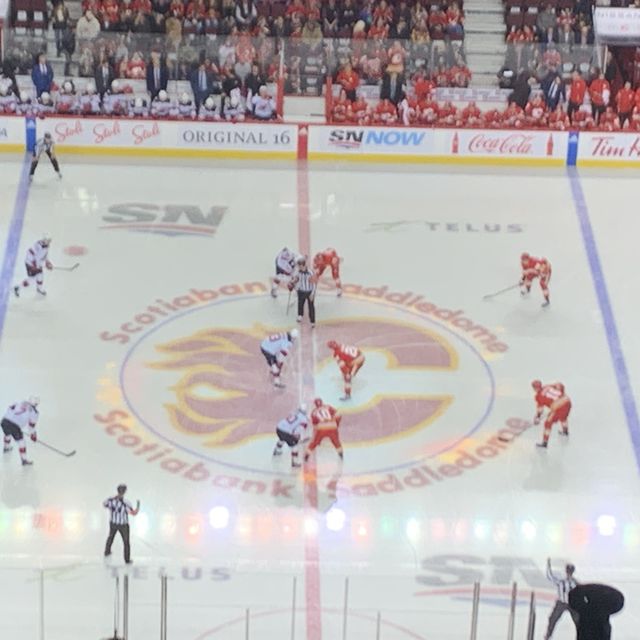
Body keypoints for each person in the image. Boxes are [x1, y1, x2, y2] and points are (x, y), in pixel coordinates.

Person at [103, 484, 140, 564]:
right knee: (126, 542)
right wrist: (138, 507)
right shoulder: (126, 503)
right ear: (125, 492)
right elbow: (133, 513)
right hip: (123, 525)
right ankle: (127, 560)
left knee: (110, 537)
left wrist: (113, 498)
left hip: (113, 523)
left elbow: (104, 504)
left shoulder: (111, 500)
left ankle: (107, 552)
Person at [545, 557, 579, 639]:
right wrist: (548, 566)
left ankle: (581, 636)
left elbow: (550, 577)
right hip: (562, 603)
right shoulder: (562, 582)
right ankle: (548, 635)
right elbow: (550, 577)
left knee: (578, 621)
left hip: (572, 603)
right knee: (553, 619)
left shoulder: (575, 583)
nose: (569, 573)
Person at [532, 380, 572, 448]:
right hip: (567, 402)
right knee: (563, 417)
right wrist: (562, 394)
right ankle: (565, 431)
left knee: (548, 423)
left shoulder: (538, 396)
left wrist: (538, 417)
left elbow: (540, 410)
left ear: (534, 388)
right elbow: (559, 384)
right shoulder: (547, 386)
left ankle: (545, 443)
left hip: (560, 408)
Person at [2, 397, 39, 466]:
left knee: (7, 433)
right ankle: (24, 460)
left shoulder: (20, 402)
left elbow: (10, 409)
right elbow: (31, 426)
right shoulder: (34, 412)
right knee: (21, 442)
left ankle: (6, 448)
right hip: (14, 426)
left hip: (4, 421)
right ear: (36, 404)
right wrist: (33, 435)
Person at [289, 256, 317, 327]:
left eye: (300, 266)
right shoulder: (298, 272)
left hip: (309, 291)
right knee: (300, 304)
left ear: (303, 265)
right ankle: (300, 315)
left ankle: (312, 321)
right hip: (301, 290)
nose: (299, 268)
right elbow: (297, 278)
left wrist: (312, 294)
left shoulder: (310, 273)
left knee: (311, 307)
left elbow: (314, 284)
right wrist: (292, 282)